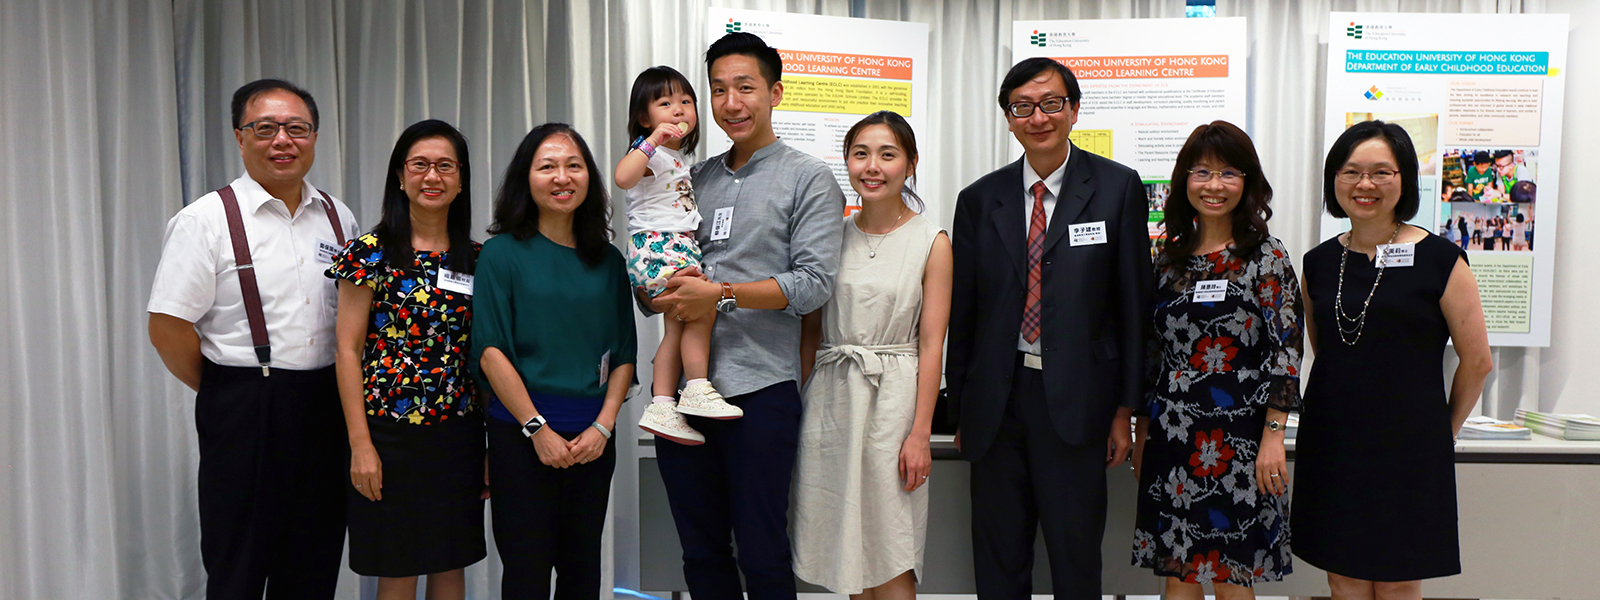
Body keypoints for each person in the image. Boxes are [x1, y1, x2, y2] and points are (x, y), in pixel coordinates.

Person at [644, 31, 845, 599]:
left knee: (762, 551)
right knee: (700, 553)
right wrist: (655, 289)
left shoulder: (808, 177)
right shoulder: (692, 176)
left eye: (745, 88)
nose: (731, 102)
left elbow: (813, 285)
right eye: (718, 90)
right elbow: (657, 254)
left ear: (776, 93)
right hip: (682, 398)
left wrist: (722, 293)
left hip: (760, 392)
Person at [946, 56, 1152, 598]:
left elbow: (1134, 306)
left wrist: (1126, 410)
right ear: (1009, 119)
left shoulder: (1117, 188)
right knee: (998, 561)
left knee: (1075, 559)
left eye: (1051, 103)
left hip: (1080, 404)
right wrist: (962, 407)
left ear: (1074, 109)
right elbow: (963, 314)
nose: (1038, 117)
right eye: (1022, 107)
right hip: (997, 402)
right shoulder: (978, 200)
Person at [147, 78, 356, 600]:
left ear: (314, 136)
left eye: (296, 128)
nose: (282, 140)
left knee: (313, 558)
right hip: (244, 404)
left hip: (326, 404)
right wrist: (226, 390)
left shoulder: (338, 216)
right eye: (265, 128)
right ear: (241, 138)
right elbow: (168, 327)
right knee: (238, 561)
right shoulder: (206, 220)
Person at [1293, 120, 1493, 600]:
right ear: (1333, 180)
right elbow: (1329, 351)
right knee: (1342, 576)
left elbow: (1478, 360)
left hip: (1410, 444)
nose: (1365, 184)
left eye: (1382, 172)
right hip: (1334, 439)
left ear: (1404, 180)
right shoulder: (1318, 263)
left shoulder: (1441, 259)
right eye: (1351, 171)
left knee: (1399, 580)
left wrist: (1443, 430)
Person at [1130, 121, 1301, 599]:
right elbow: (1152, 354)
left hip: (1239, 442)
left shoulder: (1266, 256)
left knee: (1228, 579)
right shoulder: (1168, 258)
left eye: (1228, 173)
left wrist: (1273, 438)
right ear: (1185, 180)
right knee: (1178, 577)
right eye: (1202, 172)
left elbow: (1286, 352)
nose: (1214, 185)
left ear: (1247, 182)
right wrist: (1143, 435)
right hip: (1174, 436)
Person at [472, 123, 637, 599]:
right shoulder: (501, 254)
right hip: (520, 439)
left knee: (583, 572)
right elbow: (490, 349)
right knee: (525, 573)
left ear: (589, 178)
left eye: (573, 165)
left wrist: (603, 429)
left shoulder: (607, 260)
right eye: (547, 166)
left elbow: (625, 354)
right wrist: (536, 429)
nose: (561, 177)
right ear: (527, 178)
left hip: (592, 441)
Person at [792, 111, 952, 598]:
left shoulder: (932, 240)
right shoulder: (830, 234)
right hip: (832, 398)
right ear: (846, 161)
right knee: (846, 548)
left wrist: (920, 433)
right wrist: (803, 402)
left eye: (887, 154)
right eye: (861, 154)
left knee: (891, 544)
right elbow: (811, 329)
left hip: (895, 399)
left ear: (911, 164)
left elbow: (931, 342)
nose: (872, 166)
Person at [327, 119, 485, 600]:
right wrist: (360, 446)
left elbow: (483, 357)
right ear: (400, 176)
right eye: (419, 165)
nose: (431, 177)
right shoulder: (369, 253)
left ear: (460, 180)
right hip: (387, 437)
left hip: (456, 434)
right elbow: (347, 351)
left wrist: (486, 449)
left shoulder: (479, 259)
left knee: (449, 564)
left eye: (444, 166)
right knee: (396, 569)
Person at [616, 65, 741, 446]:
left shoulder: (678, 159)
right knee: (702, 309)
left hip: (674, 244)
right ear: (643, 116)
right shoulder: (650, 153)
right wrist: (650, 140)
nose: (678, 110)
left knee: (677, 324)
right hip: (659, 244)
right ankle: (697, 388)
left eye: (686, 101)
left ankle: (662, 403)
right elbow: (623, 177)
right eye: (665, 103)